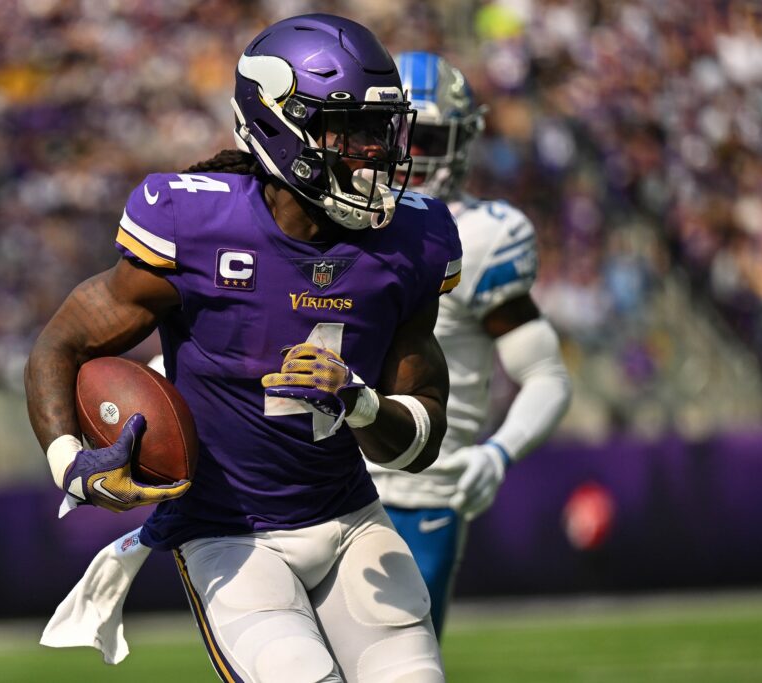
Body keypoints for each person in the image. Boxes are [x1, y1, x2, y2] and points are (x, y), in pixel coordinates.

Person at [26, 16, 463, 682]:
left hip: (350, 519)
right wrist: (70, 464)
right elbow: (61, 343)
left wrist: (362, 403)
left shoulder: (413, 240)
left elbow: (421, 434)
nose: (373, 153)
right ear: (278, 127)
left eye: (381, 131)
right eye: (348, 130)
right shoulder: (193, 226)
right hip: (230, 532)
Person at [367, 51, 573, 639]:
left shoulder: (484, 237)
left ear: (460, 140)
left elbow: (547, 376)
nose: (408, 151)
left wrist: (498, 452)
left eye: (426, 134)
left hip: (422, 490)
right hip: (317, 481)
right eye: (393, 132)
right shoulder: (325, 218)